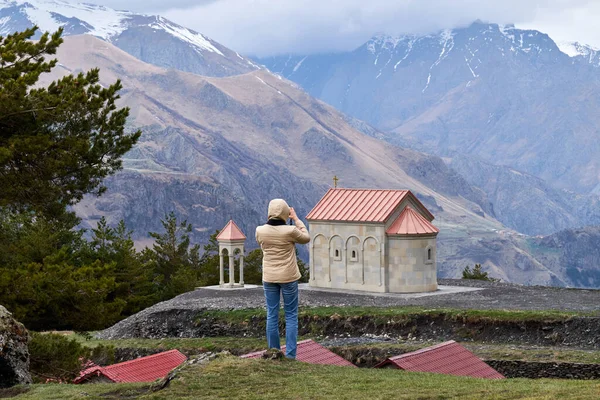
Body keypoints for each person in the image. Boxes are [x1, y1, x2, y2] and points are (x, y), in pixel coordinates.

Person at [255, 199, 310, 359]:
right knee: (291, 315)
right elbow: (306, 237)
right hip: (288, 277)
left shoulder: (260, 230)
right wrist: (297, 219)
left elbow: (262, 244)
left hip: (269, 277)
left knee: (272, 314)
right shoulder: (290, 231)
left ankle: (274, 352)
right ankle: (291, 355)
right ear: (286, 213)